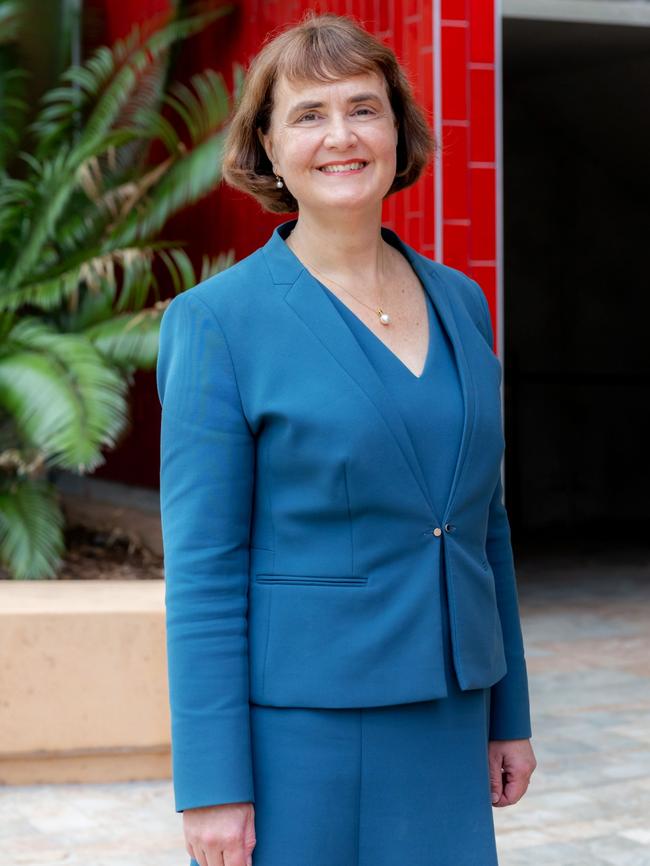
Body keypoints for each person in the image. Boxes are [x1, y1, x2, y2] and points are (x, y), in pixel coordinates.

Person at [156, 11, 537, 866]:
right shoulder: (217, 323)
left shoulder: (461, 301)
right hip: (302, 737)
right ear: (268, 146)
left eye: (364, 108)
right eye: (309, 114)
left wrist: (507, 714)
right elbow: (205, 570)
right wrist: (214, 786)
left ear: (398, 133)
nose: (342, 137)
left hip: (450, 717)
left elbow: (485, 526)